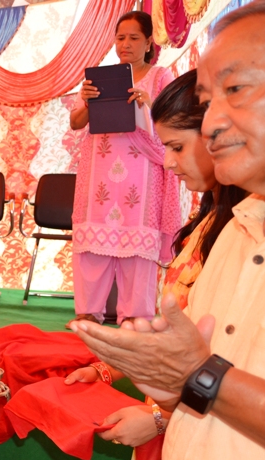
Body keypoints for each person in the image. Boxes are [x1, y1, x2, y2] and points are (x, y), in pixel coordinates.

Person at [71, 2, 265, 460]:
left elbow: (204, 373)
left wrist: (190, 385)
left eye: (236, 90)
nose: (214, 122)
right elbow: (205, 358)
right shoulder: (234, 229)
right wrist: (129, 371)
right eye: (207, 102)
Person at [68, 11, 180, 328]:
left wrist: (148, 103)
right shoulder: (102, 78)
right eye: (120, 38)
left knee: (137, 248)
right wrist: (87, 101)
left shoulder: (160, 77)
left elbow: (173, 122)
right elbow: (76, 123)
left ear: (149, 42)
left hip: (142, 177)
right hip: (99, 174)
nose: (125, 44)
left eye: (133, 38)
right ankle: (87, 314)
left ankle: (135, 318)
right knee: (92, 246)